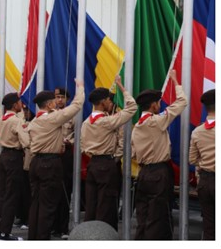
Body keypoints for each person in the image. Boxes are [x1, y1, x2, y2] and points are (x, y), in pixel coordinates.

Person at [131, 69, 187, 240]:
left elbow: (133, 154)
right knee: (157, 217)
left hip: (143, 174)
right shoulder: (156, 121)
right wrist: (176, 81)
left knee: (143, 214)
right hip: (159, 173)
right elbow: (182, 102)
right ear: (154, 105)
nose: (160, 106)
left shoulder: (137, 126)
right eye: (158, 103)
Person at [26, 79, 84, 240]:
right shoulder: (52, 118)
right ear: (50, 105)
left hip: (36, 162)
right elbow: (76, 106)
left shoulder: (34, 121)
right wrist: (80, 88)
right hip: (49, 164)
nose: (56, 103)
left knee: (36, 203)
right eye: (54, 101)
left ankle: (34, 237)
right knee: (48, 205)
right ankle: (43, 238)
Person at [80, 75, 137, 230]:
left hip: (93, 164)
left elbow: (83, 146)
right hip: (106, 164)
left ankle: (89, 236)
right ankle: (104, 237)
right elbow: (132, 108)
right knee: (106, 206)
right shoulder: (107, 121)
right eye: (108, 100)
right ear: (104, 101)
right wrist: (120, 85)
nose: (110, 102)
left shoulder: (86, 123)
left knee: (92, 204)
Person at [0, 92, 28, 241]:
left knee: (2, 194)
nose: (22, 105)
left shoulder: (2, 120)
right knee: (11, 195)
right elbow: (26, 141)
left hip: (3, 156)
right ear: (14, 105)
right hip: (14, 157)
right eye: (20, 102)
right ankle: (4, 232)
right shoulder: (15, 121)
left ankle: (0, 228)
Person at [189, 89, 215, 240]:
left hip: (205, 181)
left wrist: (205, 163)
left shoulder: (198, 131)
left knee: (209, 225)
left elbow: (192, 159)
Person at [51, 87, 74, 238]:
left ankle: (63, 227)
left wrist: (69, 141)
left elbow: (78, 135)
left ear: (67, 99)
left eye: (62, 97)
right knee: (52, 192)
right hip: (52, 155)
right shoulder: (49, 115)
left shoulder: (73, 115)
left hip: (66, 155)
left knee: (65, 190)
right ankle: (53, 226)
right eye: (57, 97)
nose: (59, 100)